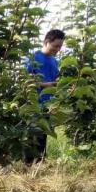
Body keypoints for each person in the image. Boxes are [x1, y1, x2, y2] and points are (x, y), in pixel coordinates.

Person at [25, 28, 65, 162]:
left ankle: (40, 163)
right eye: (56, 46)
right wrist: (46, 85)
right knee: (32, 135)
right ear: (46, 42)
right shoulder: (34, 57)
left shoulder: (55, 62)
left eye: (60, 46)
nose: (58, 49)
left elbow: (56, 82)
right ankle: (27, 164)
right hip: (33, 103)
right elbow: (27, 80)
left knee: (43, 135)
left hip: (48, 104)